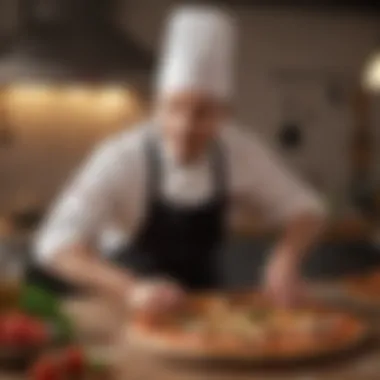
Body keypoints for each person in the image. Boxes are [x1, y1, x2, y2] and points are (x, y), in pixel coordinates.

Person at [30, 6, 326, 313]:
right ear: (157, 105)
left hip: (207, 309)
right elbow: (54, 244)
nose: (184, 126)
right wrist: (131, 289)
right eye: (174, 108)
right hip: (129, 308)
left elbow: (307, 209)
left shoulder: (239, 151)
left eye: (202, 113)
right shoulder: (121, 157)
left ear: (224, 114)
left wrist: (284, 261)